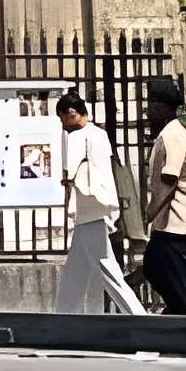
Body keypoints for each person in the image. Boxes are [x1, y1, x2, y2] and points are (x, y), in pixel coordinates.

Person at [55, 88, 143, 316]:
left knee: (108, 268)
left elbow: (73, 174)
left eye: (63, 117)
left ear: (71, 113)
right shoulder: (100, 134)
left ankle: (137, 314)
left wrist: (69, 180)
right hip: (96, 210)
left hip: (90, 211)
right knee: (74, 274)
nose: (63, 123)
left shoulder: (77, 137)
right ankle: (64, 317)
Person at [141, 75, 186, 315]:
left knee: (178, 284)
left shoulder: (172, 135)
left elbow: (170, 179)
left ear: (162, 108)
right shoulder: (168, 133)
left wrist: (151, 211)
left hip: (178, 222)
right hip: (170, 223)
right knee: (154, 266)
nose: (148, 113)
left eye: (151, 106)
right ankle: (176, 315)